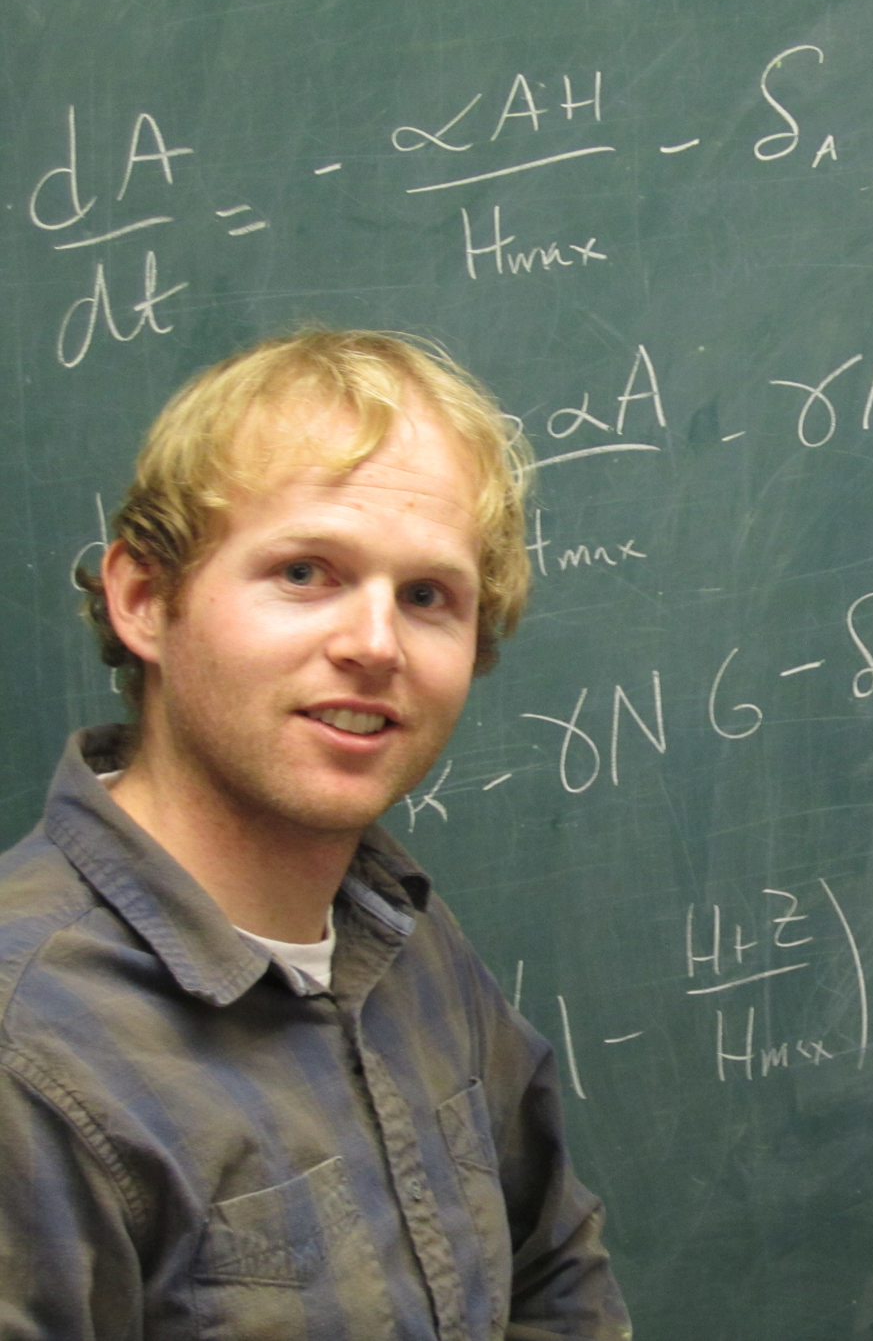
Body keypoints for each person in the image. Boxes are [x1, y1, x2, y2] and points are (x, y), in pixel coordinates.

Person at [0, 331, 630, 1339]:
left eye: (427, 597)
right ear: (144, 601)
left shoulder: (404, 937)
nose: (374, 644)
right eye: (305, 572)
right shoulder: (29, 1049)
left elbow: (551, 1267)